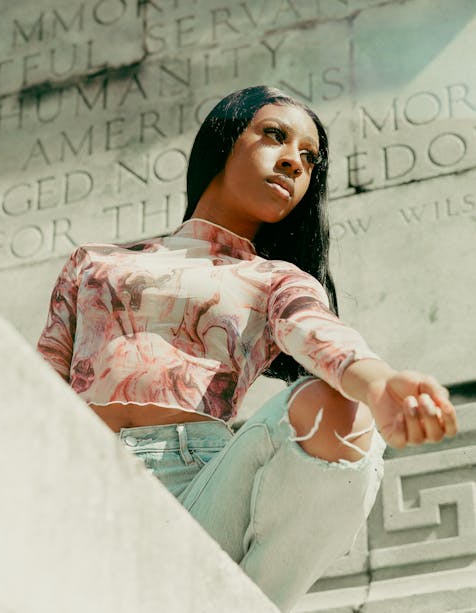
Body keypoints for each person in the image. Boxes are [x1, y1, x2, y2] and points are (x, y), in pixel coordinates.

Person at [37, 85, 458, 612]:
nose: (292, 163)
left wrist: (378, 383)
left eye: (308, 159)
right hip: (74, 479)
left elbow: (317, 333)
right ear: (224, 140)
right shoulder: (93, 262)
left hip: (200, 491)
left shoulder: (274, 279)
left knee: (332, 406)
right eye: (275, 136)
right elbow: (38, 386)